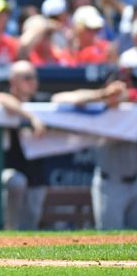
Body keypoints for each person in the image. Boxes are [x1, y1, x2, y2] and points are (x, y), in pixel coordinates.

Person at [51, 67, 137, 230]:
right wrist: (103, 95)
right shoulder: (98, 107)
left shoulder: (133, 110)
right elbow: (58, 99)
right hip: (111, 183)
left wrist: (131, 96)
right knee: (111, 241)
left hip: (135, 182)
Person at [0, 61, 48, 230]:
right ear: (13, 81)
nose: (33, 82)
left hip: (36, 175)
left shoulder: (42, 101)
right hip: (9, 173)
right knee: (17, 182)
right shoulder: (6, 100)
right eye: (27, 78)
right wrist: (31, 118)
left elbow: (62, 100)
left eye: (35, 77)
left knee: (30, 228)